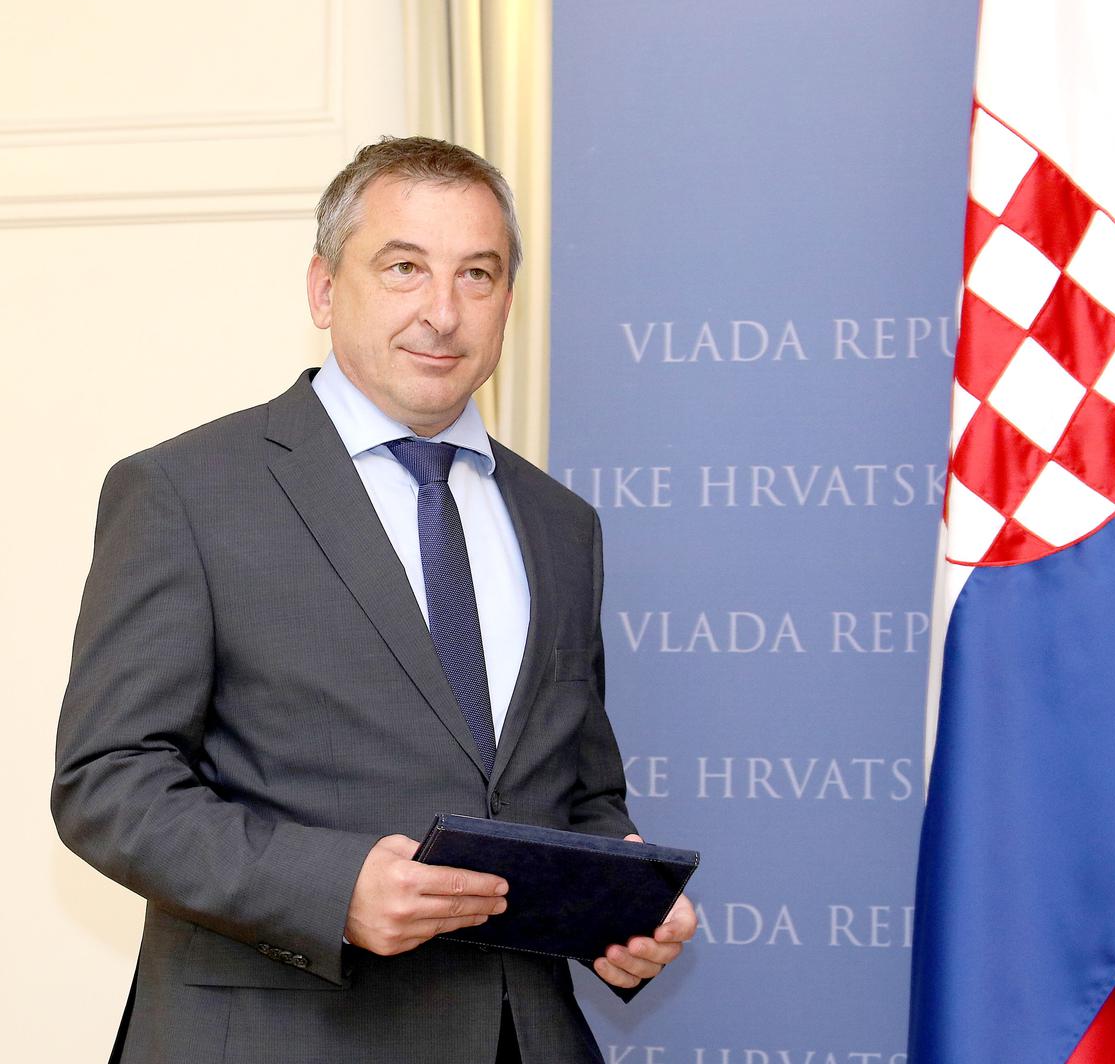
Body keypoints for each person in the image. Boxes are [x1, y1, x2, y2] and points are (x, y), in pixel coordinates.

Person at [52, 136, 694, 1064]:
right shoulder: (186, 491)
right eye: (404, 268)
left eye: (477, 274)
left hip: (523, 1035)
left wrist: (619, 902)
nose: (443, 311)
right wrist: (330, 887)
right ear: (323, 290)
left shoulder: (562, 525)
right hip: (279, 1039)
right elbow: (107, 781)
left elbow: (579, 792)